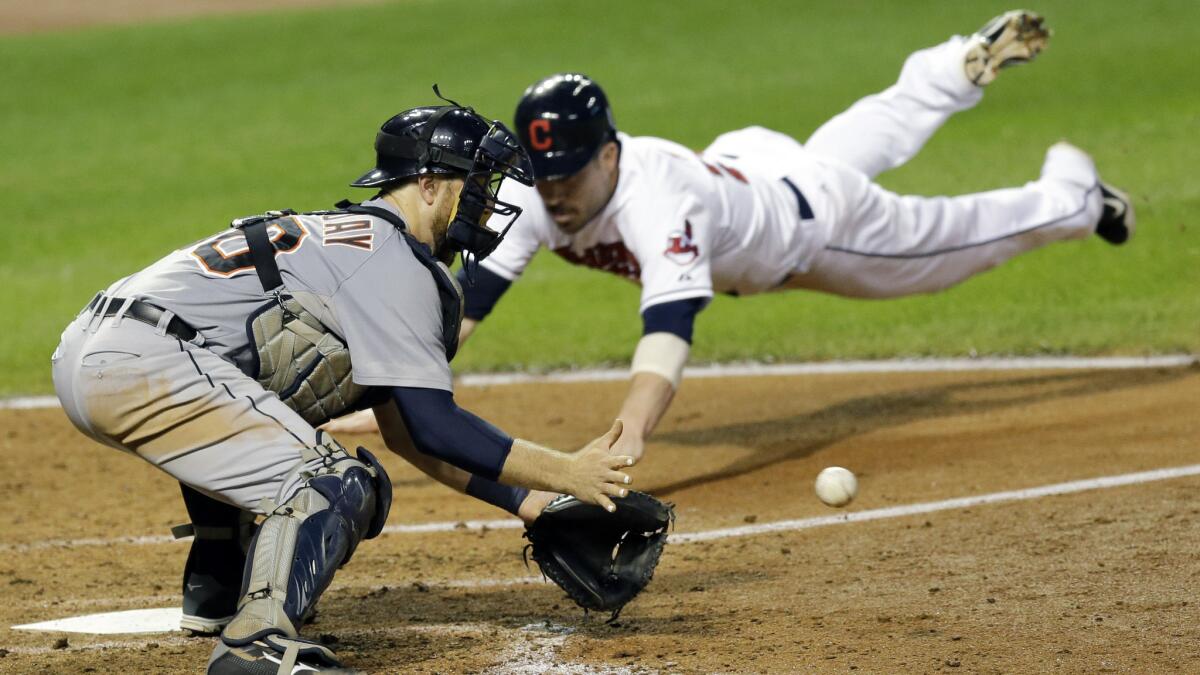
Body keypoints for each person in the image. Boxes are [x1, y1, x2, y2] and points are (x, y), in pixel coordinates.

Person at [360, 9, 1129, 464]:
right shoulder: (543, 189)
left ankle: (1070, 198)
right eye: (542, 174)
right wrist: (377, 394)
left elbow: (669, 326)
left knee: (944, 245)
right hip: (751, 168)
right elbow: (461, 313)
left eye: (568, 175)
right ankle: (949, 72)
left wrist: (627, 434)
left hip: (819, 226)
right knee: (845, 143)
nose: (552, 193)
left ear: (608, 152)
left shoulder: (655, 199)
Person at [51, 101, 635, 674]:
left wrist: (529, 503)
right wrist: (567, 473)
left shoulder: (350, 241)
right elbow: (437, 426)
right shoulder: (392, 260)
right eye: (477, 183)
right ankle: (255, 649)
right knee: (332, 483)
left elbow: (409, 436)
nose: (487, 204)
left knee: (266, 414)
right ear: (430, 185)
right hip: (144, 361)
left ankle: (216, 587)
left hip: (98, 349)